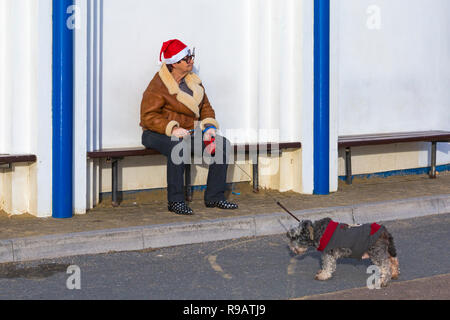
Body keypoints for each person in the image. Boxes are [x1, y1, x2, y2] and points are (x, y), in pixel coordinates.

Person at [140, 39, 238, 215]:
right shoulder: (159, 84)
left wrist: (208, 126)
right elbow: (148, 116)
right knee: (178, 147)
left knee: (222, 144)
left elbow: (206, 108)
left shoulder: (194, 82)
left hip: (189, 132)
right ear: (175, 63)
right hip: (156, 132)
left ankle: (215, 197)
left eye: (191, 56)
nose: (191, 61)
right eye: (187, 58)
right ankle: (176, 201)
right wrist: (172, 128)